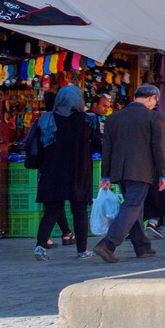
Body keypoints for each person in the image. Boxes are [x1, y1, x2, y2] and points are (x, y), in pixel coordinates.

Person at [95, 84, 165, 264]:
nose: (155, 104)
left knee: (134, 206)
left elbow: (107, 149)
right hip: (141, 170)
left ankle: (142, 247)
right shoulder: (153, 118)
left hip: (119, 170)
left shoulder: (114, 118)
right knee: (132, 206)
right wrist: (163, 174)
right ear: (151, 97)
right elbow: (159, 149)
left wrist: (105, 176)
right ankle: (108, 244)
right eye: (155, 101)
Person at [32, 85, 98, 261]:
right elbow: (99, 144)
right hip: (78, 171)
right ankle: (82, 251)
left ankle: (40, 246)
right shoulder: (87, 120)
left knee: (52, 210)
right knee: (79, 209)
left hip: (52, 172)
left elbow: (37, 147)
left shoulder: (46, 120)